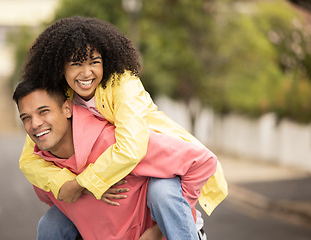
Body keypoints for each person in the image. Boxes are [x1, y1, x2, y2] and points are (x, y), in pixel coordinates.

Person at [18, 16, 228, 239]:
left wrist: (84, 183)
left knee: (162, 194)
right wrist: (65, 184)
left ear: (105, 61)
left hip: (157, 160)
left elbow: (132, 148)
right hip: (116, 172)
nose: (86, 72)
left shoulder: (123, 84)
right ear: (61, 67)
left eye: (94, 62)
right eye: (76, 63)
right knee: (51, 225)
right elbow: (29, 159)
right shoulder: (62, 97)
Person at [13, 81, 218, 240]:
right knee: (50, 224)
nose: (35, 124)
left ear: (67, 109)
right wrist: (84, 188)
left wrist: (158, 232)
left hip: (164, 234)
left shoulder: (115, 143)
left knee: (162, 192)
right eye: (26, 118)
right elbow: (57, 203)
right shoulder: (42, 169)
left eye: (43, 111)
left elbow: (202, 160)